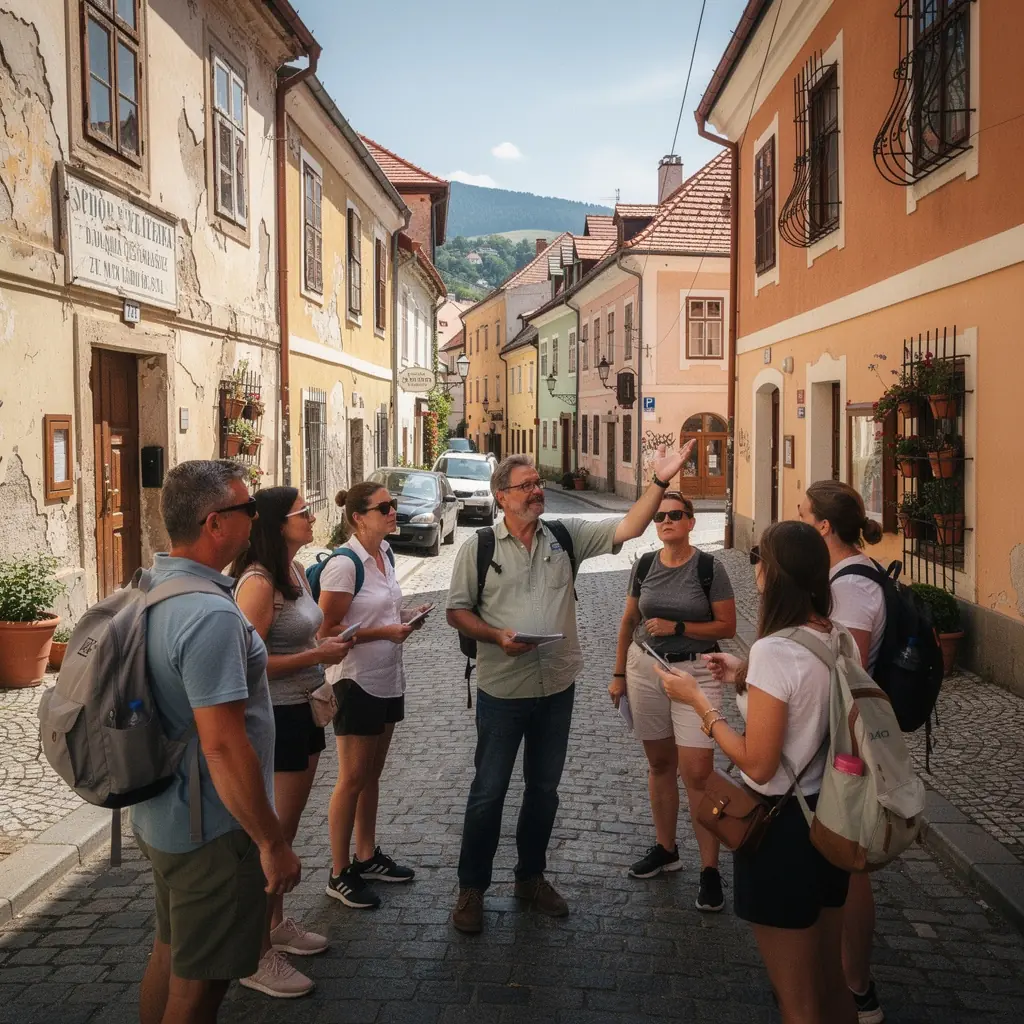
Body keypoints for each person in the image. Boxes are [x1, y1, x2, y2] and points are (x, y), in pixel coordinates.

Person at [446, 443, 695, 935]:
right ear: (501, 497)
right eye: (526, 486)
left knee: (544, 791)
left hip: (556, 685)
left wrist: (659, 482)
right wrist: (496, 636)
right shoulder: (479, 548)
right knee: (488, 792)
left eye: (539, 483)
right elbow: (457, 610)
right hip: (502, 688)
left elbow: (628, 527)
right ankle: (471, 888)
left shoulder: (565, 534)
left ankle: (530, 877)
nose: (538, 491)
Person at [652, 521, 857, 1024]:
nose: (755, 569)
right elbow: (807, 700)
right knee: (831, 983)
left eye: (758, 559)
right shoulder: (837, 637)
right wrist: (745, 673)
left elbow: (758, 762)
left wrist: (699, 701)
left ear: (776, 572)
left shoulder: (774, 649)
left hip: (782, 831)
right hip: (831, 820)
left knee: (797, 1001)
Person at [133, 460, 301, 1024]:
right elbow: (224, 747)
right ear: (214, 523)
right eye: (247, 509)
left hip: (166, 816)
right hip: (214, 831)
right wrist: (271, 842)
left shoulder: (154, 586)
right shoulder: (209, 616)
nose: (256, 519)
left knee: (170, 953)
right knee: (199, 989)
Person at [232, 487, 353, 998]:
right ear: (279, 523)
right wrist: (315, 656)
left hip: (305, 709)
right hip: (275, 717)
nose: (313, 517)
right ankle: (254, 953)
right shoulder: (258, 582)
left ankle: (276, 924)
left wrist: (327, 646)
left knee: (289, 826)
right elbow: (247, 662)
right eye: (304, 512)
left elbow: (305, 636)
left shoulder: (297, 571)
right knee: (273, 836)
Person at [608, 491, 736, 910]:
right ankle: (667, 849)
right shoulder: (644, 565)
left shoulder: (708, 568)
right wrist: (618, 674)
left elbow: (728, 625)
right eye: (661, 516)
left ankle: (710, 869)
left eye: (676, 515)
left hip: (696, 672)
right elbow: (630, 619)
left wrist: (679, 624)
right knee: (660, 765)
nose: (666, 521)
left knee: (698, 771)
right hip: (647, 669)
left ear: (691, 521)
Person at [318, 483, 431, 909]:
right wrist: (386, 631)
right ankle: (338, 870)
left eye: (394, 505)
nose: (393, 511)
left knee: (372, 776)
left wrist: (405, 618)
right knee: (351, 778)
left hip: (387, 677)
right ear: (358, 517)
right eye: (384, 507)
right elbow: (326, 632)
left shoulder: (385, 555)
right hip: (356, 680)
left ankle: (366, 855)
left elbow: (381, 612)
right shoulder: (344, 566)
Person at [799, 480, 886, 1024]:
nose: (800, 519)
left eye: (804, 514)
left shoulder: (852, 586)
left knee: (851, 864)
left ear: (824, 527)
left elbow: (847, 663)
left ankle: (856, 986)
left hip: (847, 739)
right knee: (836, 858)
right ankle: (837, 972)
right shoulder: (844, 574)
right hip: (838, 733)